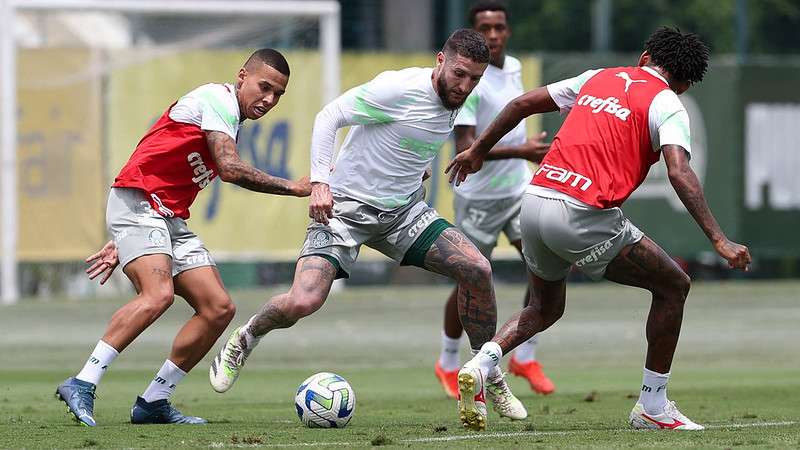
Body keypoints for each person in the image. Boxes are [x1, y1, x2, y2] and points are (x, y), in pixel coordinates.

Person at [209, 29, 527, 423]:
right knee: (303, 301)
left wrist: (414, 169)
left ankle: (489, 374)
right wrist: (321, 182)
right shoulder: (397, 88)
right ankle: (246, 337)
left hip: (404, 214)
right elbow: (330, 117)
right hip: (344, 211)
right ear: (440, 60)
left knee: (477, 268)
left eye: (474, 79)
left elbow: (414, 138)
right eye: (459, 74)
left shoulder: (464, 98)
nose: (465, 86)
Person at [447, 27, 751, 431]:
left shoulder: (599, 76)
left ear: (645, 58)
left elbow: (522, 103)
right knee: (673, 286)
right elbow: (679, 171)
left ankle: (481, 364)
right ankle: (652, 406)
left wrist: (479, 150)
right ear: (684, 85)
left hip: (535, 201)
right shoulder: (668, 103)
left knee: (545, 307)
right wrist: (719, 239)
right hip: (581, 214)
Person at [55, 49, 311, 427]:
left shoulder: (228, 119)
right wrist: (293, 187)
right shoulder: (217, 101)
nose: (269, 100)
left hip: (163, 216)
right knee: (157, 295)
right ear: (242, 76)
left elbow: (167, 165)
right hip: (139, 203)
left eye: (278, 95)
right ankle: (83, 381)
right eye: (264, 87)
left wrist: (124, 242)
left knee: (218, 307)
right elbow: (229, 169)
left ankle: (154, 401)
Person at [435, 0, 555, 401]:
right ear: (474, 32)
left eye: (499, 27)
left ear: (507, 31)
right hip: (478, 198)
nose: (494, 34)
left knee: (547, 267)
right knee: (469, 279)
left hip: (518, 191)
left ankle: (525, 355)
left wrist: (524, 156)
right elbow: (466, 147)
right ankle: (449, 362)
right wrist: (522, 151)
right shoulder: (471, 82)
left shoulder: (515, 68)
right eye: (485, 27)